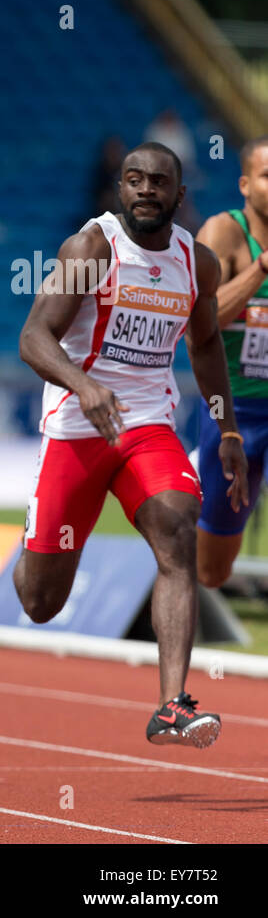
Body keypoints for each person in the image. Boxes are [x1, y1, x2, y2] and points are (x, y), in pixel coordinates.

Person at [15, 141, 247, 749]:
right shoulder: (92, 248)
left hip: (146, 426)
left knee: (179, 529)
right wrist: (82, 383)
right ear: (121, 190)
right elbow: (34, 337)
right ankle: (35, 533)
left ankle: (171, 705)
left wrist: (225, 427)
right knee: (40, 601)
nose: (146, 189)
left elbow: (203, 346)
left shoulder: (196, 263)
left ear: (179, 194)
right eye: (134, 180)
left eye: (159, 182)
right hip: (76, 426)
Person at [193, 136, 268, 587]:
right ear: (244, 184)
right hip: (235, 412)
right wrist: (260, 270)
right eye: (267, 175)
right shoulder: (223, 231)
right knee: (213, 570)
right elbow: (203, 319)